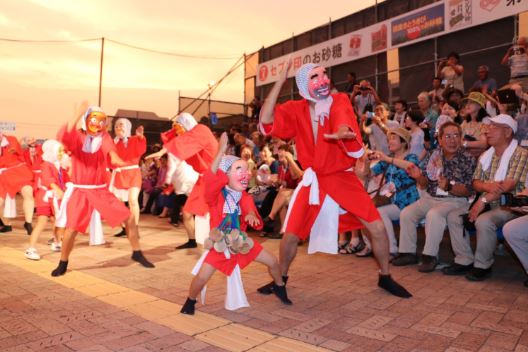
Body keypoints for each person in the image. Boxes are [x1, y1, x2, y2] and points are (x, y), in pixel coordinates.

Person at [258, 61, 412, 298]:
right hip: (313, 181)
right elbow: (266, 121)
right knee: (290, 236)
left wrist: (342, 130)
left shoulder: (337, 100)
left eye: (325, 74)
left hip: (341, 177)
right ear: (303, 85)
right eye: (315, 76)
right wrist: (279, 81)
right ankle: (281, 280)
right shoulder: (295, 109)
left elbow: (342, 116)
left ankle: (385, 275)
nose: (323, 80)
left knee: (377, 227)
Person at [180, 132, 291, 315]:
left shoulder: (244, 196)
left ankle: (279, 286)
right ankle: (190, 300)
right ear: (225, 176)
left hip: (242, 243)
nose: (246, 173)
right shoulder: (215, 197)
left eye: (245, 169)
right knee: (201, 278)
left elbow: (249, 210)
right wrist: (221, 151)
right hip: (220, 246)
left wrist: (250, 216)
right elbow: (210, 178)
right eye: (238, 169)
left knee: (273, 262)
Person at [51, 103, 154, 276]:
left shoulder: (104, 137)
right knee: (71, 229)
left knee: (128, 218)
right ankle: (63, 262)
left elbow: (112, 154)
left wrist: (122, 162)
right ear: (86, 120)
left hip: (99, 190)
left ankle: (137, 252)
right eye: (94, 119)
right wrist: (77, 113)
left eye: (101, 121)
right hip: (80, 190)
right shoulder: (76, 137)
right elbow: (64, 135)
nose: (98, 124)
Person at [393, 122, 476, 272]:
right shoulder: (435, 155)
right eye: (448, 136)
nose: (452, 140)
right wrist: (418, 177)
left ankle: (430, 257)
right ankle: (407, 252)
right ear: (440, 139)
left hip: (455, 200)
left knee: (434, 215)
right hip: (430, 198)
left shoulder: (468, 158)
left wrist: (449, 187)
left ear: (461, 138)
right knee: (407, 213)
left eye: (456, 135)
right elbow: (425, 183)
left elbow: (469, 191)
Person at [460, 115, 528, 281]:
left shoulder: (520, 154)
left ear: (507, 132)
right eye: (488, 126)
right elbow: (475, 182)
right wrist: (487, 187)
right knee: (455, 217)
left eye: (493, 127)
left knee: (484, 221)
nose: (487, 131)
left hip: (511, 205)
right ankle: (463, 260)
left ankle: (482, 265)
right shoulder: (486, 155)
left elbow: (507, 186)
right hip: (489, 202)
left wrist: (482, 201)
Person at [147, 112, 218, 249]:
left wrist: (162, 152)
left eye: (179, 128)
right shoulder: (192, 137)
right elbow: (179, 141)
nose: (179, 133)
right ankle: (192, 241)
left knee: (209, 214)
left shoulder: (201, 130)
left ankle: (214, 244)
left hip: (214, 179)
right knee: (187, 213)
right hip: (203, 179)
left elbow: (182, 142)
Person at [356, 127, 420, 257]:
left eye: (393, 138)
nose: (389, 141)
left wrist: (387, 159)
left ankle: (391, 249)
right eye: (389, 138)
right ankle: (380, 247)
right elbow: (366, 176)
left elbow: (410, 167)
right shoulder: (387, 159)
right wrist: (367, 163)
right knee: (369, 210)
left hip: (407, 201)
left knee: (380, 212)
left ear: (403, 142)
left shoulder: (411, 157)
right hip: (391, 200)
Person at [25, 140, 69, 260]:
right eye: (59, 151)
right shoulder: (46, 165)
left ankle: (56, 242)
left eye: (62, 151)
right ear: (52, 152)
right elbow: (47, 180)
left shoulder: (57, 165)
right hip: (45, 197)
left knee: (56, 220)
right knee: (42, 222)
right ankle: (31, 249)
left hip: (53, 197)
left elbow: (63, 178)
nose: (61, 153)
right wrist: (57, 189)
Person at [109, 118, 146, 236]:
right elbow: (108, 159)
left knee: (133, 200)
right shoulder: (113, 143)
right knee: (118, 204)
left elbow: (141, 149)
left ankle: (134, 228)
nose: (118, 128)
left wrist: (140, 137)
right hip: (119, 174)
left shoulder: (134, 139)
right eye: (116, 126)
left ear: (127, 127)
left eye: (121, 125)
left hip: (133, 173)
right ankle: (125, 227)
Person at [0, 131, 35, 235]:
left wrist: (27, 141)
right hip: (3, 175)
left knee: (28, 194)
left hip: (19, 171)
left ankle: (28, 223)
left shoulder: (11, 139)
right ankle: (6, 224)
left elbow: (21, 148)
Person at [461, 92, 490, 158]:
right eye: (467, 102)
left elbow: (484, 144)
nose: (467, 105)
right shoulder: (465, 123)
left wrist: (464, 143)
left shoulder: (484, 123)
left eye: (471, 102)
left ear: (480, 106)